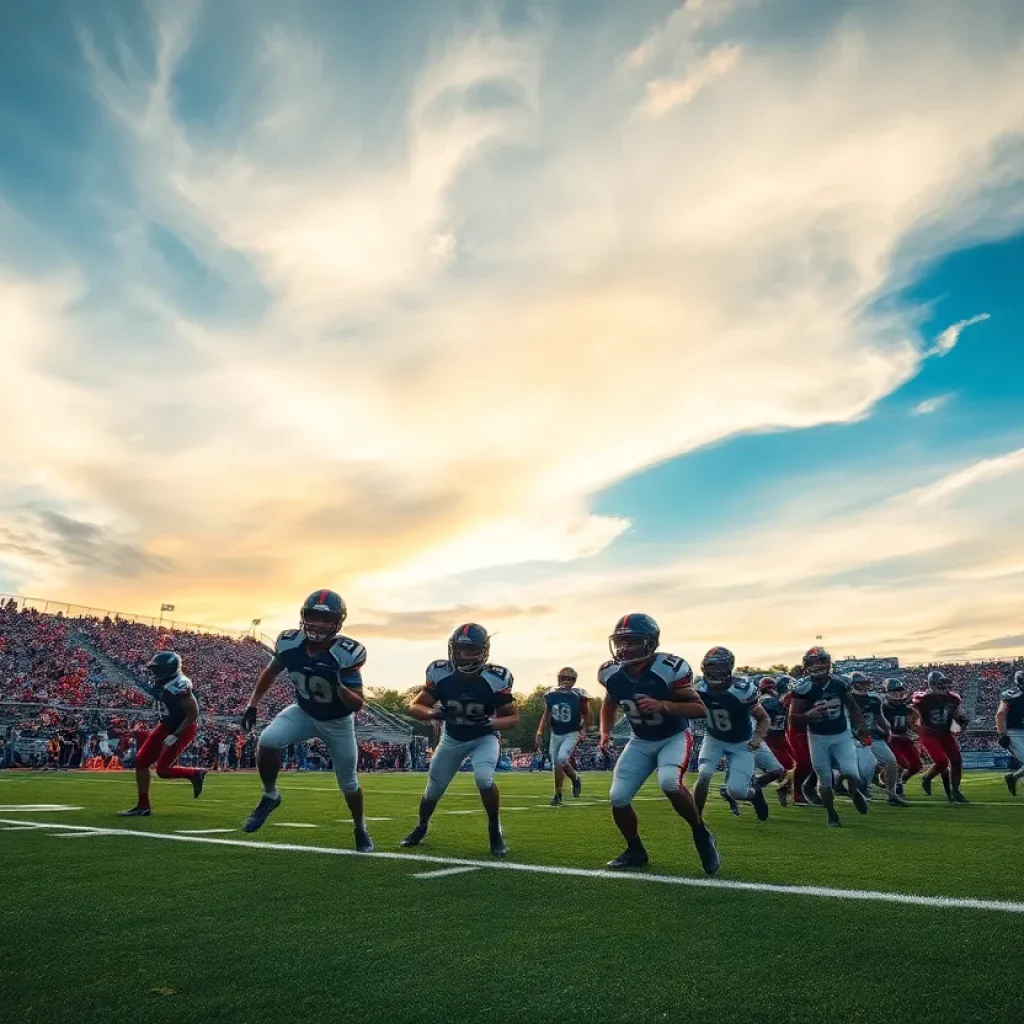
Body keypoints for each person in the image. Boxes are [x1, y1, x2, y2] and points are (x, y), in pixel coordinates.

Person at [240, 590, 373, 852]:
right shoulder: (289, 642)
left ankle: (360, 827)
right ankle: (270, 796)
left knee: (348, 783)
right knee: (267, 740)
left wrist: (338, 684)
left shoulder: (346, 653)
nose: (319, 624)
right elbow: (270, 671)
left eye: (327, 620)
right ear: (303, 616)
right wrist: (252, 704)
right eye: (314, 617)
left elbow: (357, 704)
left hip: (338, 722)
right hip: (304, 712)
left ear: (337, 623)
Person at [597, 613, 719, 873]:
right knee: (618, 797)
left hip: (673, 736)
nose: (624, 648)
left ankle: (700, 832)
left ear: (650, 642)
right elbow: (609, 704)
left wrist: (663, 704)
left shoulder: (668, 669)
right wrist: (605, 732)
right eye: (621, 641)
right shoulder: (612, 673)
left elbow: (699, 709)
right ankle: (635, 850)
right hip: (640, 739)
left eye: (632, 641)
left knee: (669, 783)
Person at [401, 623, 519, 857]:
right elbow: (415, 705)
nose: (465, 655)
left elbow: (513, 717)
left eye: (472, 649)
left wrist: (491, 724)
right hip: (452, 738)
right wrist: (432, 713)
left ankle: (495, 828)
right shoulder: (440, 672)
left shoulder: (495, 678)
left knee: (484, 778)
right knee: (433, 790)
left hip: (483, 737)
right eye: (461, 649)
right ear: (452, 649)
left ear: (483, 651)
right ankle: (421, 827)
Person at [789, 647, 870, 828]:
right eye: (813, 663)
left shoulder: (840, 683)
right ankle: (831, 813)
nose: (817, 666)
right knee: (824, 780)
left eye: (821, 662)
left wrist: (861, 727)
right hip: (817, 738)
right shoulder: (802, 688)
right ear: (806, 666)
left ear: (828, 663)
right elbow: (793, 719)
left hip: (842, 734)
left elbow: (853, 707)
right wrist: (808, 715)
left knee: (852, 772)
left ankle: (855, 792)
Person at [117, 651, 205, 816]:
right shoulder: (163, 682)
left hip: (183, 727)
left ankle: (195, 774)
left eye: (158, 669)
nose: (154, 673)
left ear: (169, 668)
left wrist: (176, 734)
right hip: (166, 724)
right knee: (141, 761)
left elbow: (193, 713)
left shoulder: (179, 684)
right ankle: (143, 806)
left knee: (163, 771)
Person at [693, 648, 773, 821]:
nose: (714, 671)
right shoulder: (700, 687)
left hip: (741, 742)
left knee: (737, 791)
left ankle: (755, 795)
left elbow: (764, 718)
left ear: (728, 667)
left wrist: (757, 740)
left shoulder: (742, 689)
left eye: (719, 667)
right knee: (704, 773)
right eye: (711, 666)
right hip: (714, 738)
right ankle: (696, 818)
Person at [849, 673, 907, 807]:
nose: (865, 685)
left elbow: (879, 718)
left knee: (891, 761)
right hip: (852, 737)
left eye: (865, 682)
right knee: (864, 767)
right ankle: (859, 789)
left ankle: (892, 795)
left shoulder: (874, 700)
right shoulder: (847, 699)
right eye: (862, 682)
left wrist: (887, 730)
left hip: (872, 736)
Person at [913, 670, 969, 804]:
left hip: (945, 733)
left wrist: (961, 720)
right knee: (942, 762)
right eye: (940, 684)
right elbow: (913, 712)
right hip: (929, 733)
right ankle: (927, 778)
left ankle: (955, 791)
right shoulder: (922, 698)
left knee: (957, 761)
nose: (944, 687)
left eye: (945, 683)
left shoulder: (953, 698)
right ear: (931, 685)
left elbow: (955, 714)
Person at [535, 667, 589, 805]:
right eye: (564, 678)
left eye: (570, 679)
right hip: (556, 732)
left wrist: (584, 729)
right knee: (556, 765)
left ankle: (573, 780)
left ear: (574, 680)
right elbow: (546, 714)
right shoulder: (551, 694)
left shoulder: (578, 695)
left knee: (562, 759)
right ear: (559, 678)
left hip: (572, 731)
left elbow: (587, 714)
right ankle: (558, 793)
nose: (567, 681)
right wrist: (540, 730)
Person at [757, 676, 794, 805]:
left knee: (796, 766)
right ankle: (755, 787)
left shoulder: (775, 700)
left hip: (780, 737)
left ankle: (783, 788)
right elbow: (769, 715)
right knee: (784, 768)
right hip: (770, 738)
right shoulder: (766, 700)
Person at [881, 679, 922, 793]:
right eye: (893, 691)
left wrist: (922, 733)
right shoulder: (883, 707)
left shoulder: (906, 708)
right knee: (901, 763)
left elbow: (911, 724)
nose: (897, 694)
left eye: (899, 691)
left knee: (916, 766)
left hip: (904, 738)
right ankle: (892, 784)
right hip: (891, 739)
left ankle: (899, 781)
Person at [996, 671, 1024, 795]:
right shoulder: (1011, 695)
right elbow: (1000, 714)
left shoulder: (1012, 695)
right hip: (1014, 733)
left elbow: (1000, 714)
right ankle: (1013, 777)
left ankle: (1012, 777)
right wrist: (1002, 734)